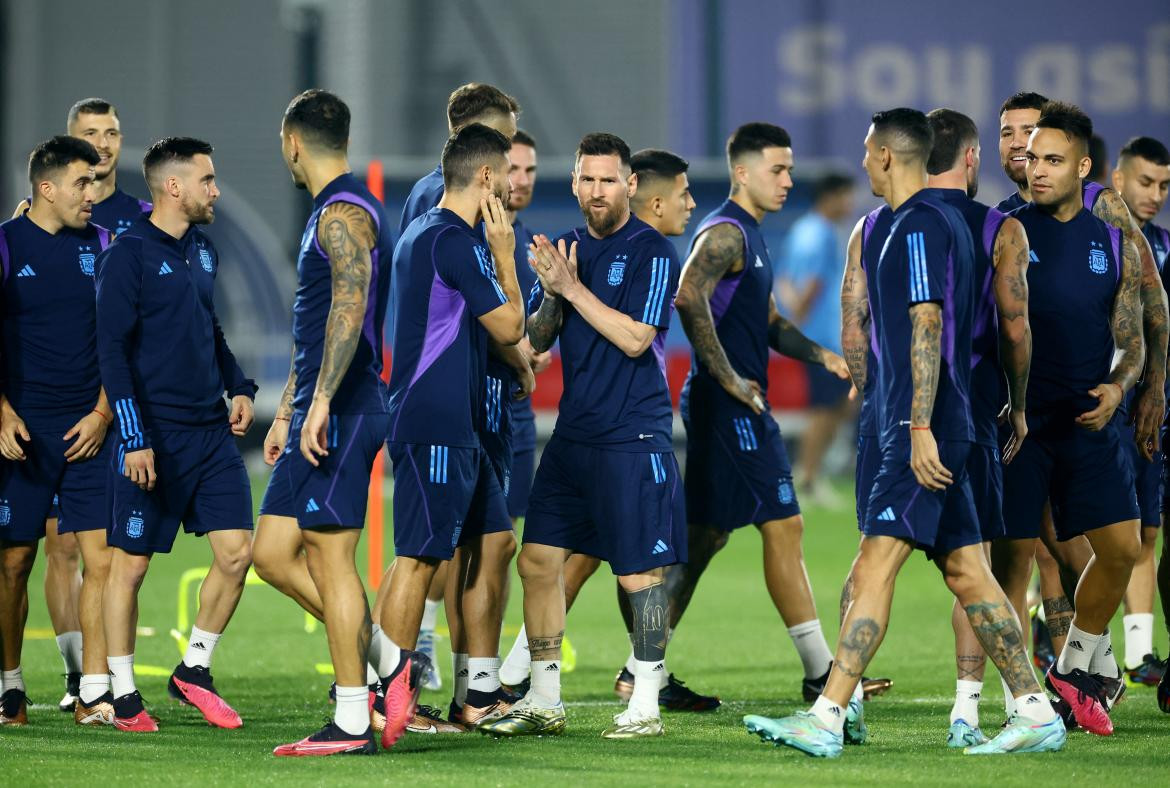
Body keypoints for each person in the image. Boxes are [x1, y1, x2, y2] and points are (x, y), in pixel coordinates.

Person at [744, 108, 1064, 758]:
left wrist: (917, 426)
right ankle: (1035, 709)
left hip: (925, 426)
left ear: (887, 156)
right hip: (934, 421)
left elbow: (927, 322)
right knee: (970, 571)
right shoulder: (905, 225)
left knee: (873, 564)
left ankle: (829, 714)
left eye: (867, 151)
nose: (862, 161)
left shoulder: (917, 226)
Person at [497, 148, 718, 712]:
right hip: (574, 437)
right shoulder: (568, 247)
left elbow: (637, 339)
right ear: (574, 182)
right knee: (538, 560)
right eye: (588, 179)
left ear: (631, 183)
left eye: (609, 180)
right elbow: (541, 339)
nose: (598, 190)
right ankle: (543, 699)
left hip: (632, 437)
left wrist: (571, 289)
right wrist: (550, 294)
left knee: (639, 577)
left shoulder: (652, 250)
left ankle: (644, 702)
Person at [995, 93, 1168, 705]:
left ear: (1082, 169)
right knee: (1012, 567)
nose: (1035, 168)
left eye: (1052, 159)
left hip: (1090, 421)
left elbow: (1133, 336)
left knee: (1121, 550)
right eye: (1031, 157)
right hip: (1021, 424)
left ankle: (1070, 670)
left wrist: (1121, 386)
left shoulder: (1111, 239)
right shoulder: (1006, 229)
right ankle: (1021, 702)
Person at [675, 123, 849, 704]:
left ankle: (639, 668)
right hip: (732, 409)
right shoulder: (725, 233)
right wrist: (727, 377)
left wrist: (822, 354)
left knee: (703, 540)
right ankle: (821, 672)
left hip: (730, 404)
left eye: (790, 169)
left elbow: (769, 321)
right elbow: (686, 294)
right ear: (742, 172)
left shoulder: (752, 234)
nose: (788, 180)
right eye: (777, 169)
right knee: (785, 524)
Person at [96, 137, 256, 733]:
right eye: (207, 180)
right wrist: (134, 437)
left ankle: (194, 669)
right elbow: (111, 351)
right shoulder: (128, 255)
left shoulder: (204, 252)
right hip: (152, 436)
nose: (215, 190)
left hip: (210, 433)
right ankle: (122, 693)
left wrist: (238, 385)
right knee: (130, 567)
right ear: (173, 186)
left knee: (238, 553)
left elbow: (207, 329)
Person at [252, 90, 395, 756]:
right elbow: (315, 330)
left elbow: (351, 303)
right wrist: (287, 407)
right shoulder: (327, 213)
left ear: (292, 142)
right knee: (272, 554)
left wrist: (321, 403)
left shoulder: (343, 214)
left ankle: (351, 720)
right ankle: (391, 664)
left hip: (343, 407)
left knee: (332, 560)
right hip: (315, 406)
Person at [377, 123, 527, 750]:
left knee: (494, 541)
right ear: (486, 178)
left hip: (456, 426)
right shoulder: (456, 242)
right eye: (509, 172)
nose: (516, 185)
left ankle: (477, 693)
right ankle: (385, 697)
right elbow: (513, 323)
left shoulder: (424, 233)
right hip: (434, 424)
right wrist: (506, 251)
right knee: (418, 560)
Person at [924, 108, 1034, 743]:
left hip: (899, 419)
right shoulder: (999, 227)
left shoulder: (880, 224)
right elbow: (1015, 327)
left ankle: (838, 703)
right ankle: (973, 703)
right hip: (974, 411)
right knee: (980, 561)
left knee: (872, 560)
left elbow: (857, 327)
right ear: (972, 157)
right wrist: (1018, 402)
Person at [0, 137, 114, 726]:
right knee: (16, 561)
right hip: (22, 434)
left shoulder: (104, 245)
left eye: (93, 183)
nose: (93, 194)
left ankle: (94, 690)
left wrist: (101, 412)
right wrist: (2, 412)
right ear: (46, 188)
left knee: (100, 560)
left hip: (89, 431)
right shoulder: (5, 242)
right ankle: (10, 685)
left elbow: (119, 340)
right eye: (81, 183)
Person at [1110, 135, 1170, 688]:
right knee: (1094, 533)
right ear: (1117, 177)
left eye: (1164, 185)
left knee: (1147, 530)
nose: (1154, 194)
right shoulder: (1094, 237)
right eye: (1145, 182)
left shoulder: (1165, 248)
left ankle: (1138, 655)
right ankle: (1054, 622)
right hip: (1099, 406)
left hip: (1149, 409)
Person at [776, 172, 857, 505]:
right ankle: (807, 476)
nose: (849, 205)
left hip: (815, 335)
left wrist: (794, 317)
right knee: (824, 409)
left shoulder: (800, 230)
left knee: (840, 405)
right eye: (846, 196)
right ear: (831, 197)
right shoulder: (822, 234)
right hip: (824, 339)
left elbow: (782, 278)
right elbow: (813, 284)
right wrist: (801, 317)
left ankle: (812, 472)